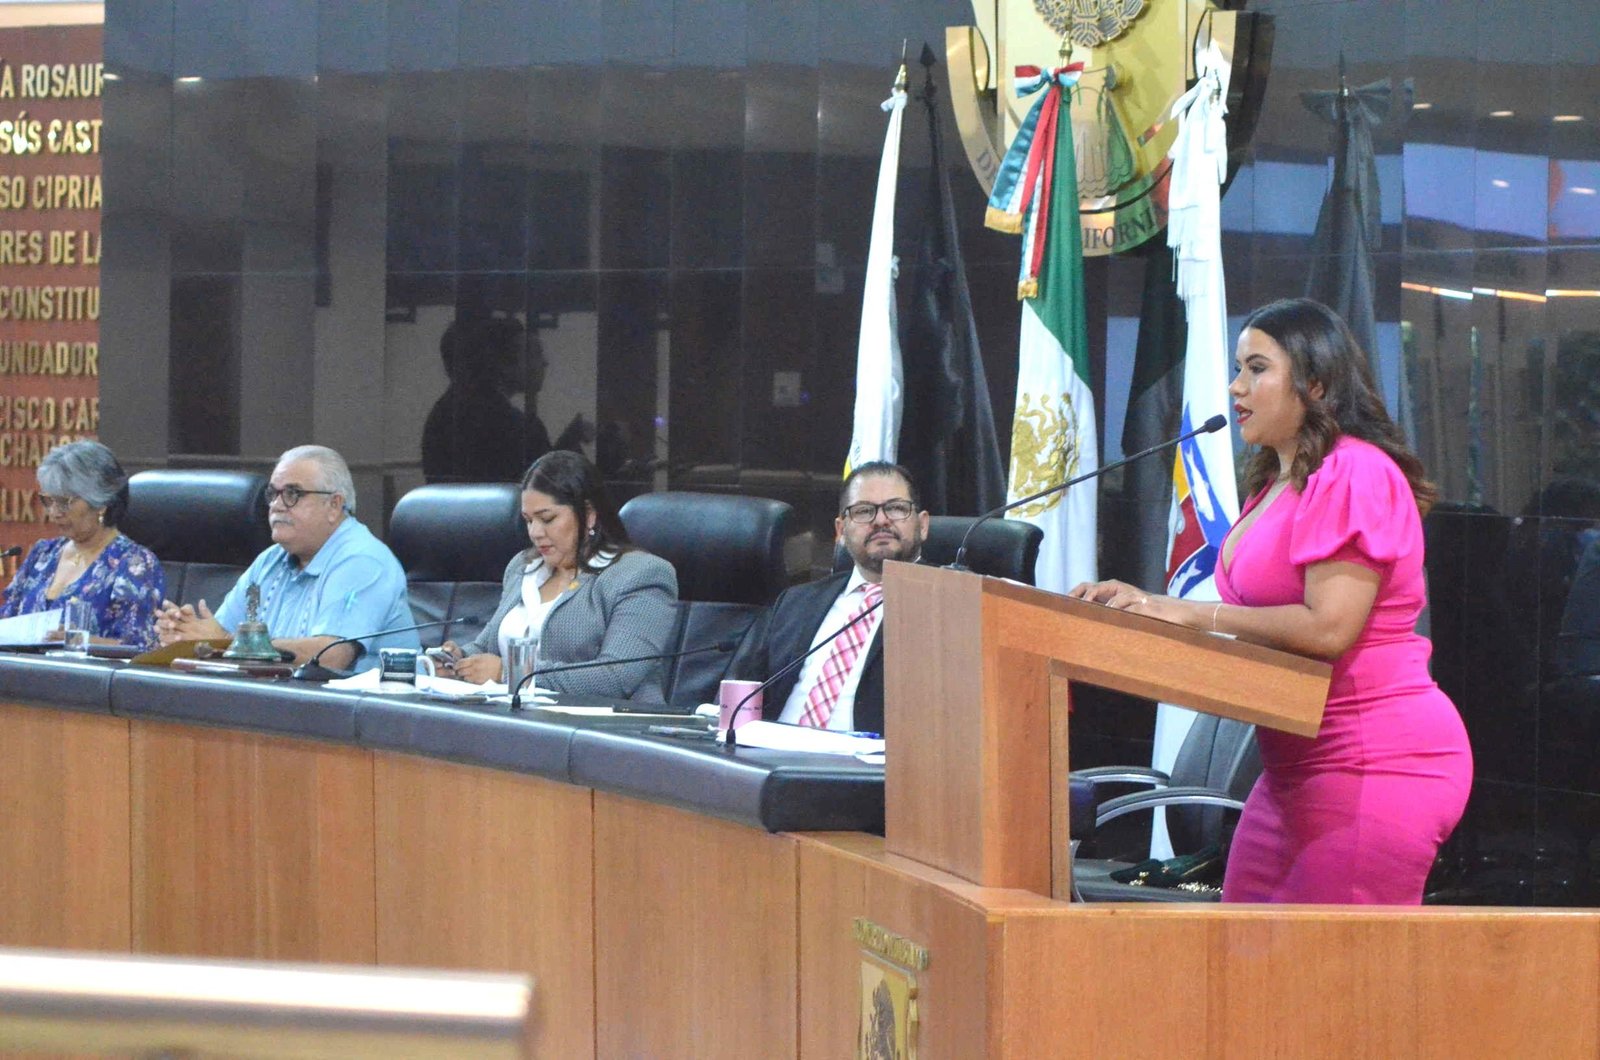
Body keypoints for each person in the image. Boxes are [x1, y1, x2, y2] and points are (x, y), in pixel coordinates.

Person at [1069, 298, 1472, 904]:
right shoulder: (1279, 480)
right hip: (1290, 769)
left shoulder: (1354, 471)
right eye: (1238, 369)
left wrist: (1187, 612)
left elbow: (1329, 629)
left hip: (1374, 760)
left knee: (1329, 963)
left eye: (1257, 369)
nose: (1237, 387)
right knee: (1245, 953)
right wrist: (1145, 605)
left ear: (1315, 383)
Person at [431, 449, 678, 700]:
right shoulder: (523, 567)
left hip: (602, 722)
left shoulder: (640, 575)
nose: (535, 532)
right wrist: (457, 660)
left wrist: (512, 673)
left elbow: (616, 677)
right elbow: (487, 647)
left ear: (589, 515)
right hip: (515, 717)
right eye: (528, 520)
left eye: (547, 519)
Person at [154, 445, 415, 672]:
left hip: (362, 710)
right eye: (273, 494)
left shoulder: (363, 560)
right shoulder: (269, 562)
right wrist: (186, 635)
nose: (276, 505)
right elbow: (221, 636)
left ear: (334, 505)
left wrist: (224, 643)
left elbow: (331, 656)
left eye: (292, 494)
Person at [729, 461, 929, 736]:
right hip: (770, 756)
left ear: (923, 524)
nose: (881, 520)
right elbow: (739, 691)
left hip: (869, 762)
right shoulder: (796, 603)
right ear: (840, 532)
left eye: (895, 508)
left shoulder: (949, 606)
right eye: (864, 511)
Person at [0, 440, 165, 649]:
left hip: (85, 671)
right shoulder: (43, 554)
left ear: (101, 503)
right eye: (48, 501)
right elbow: (8, 621)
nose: (54, 512)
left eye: (64, 502)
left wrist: (75, 641)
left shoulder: (134, 564)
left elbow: (140, 648)